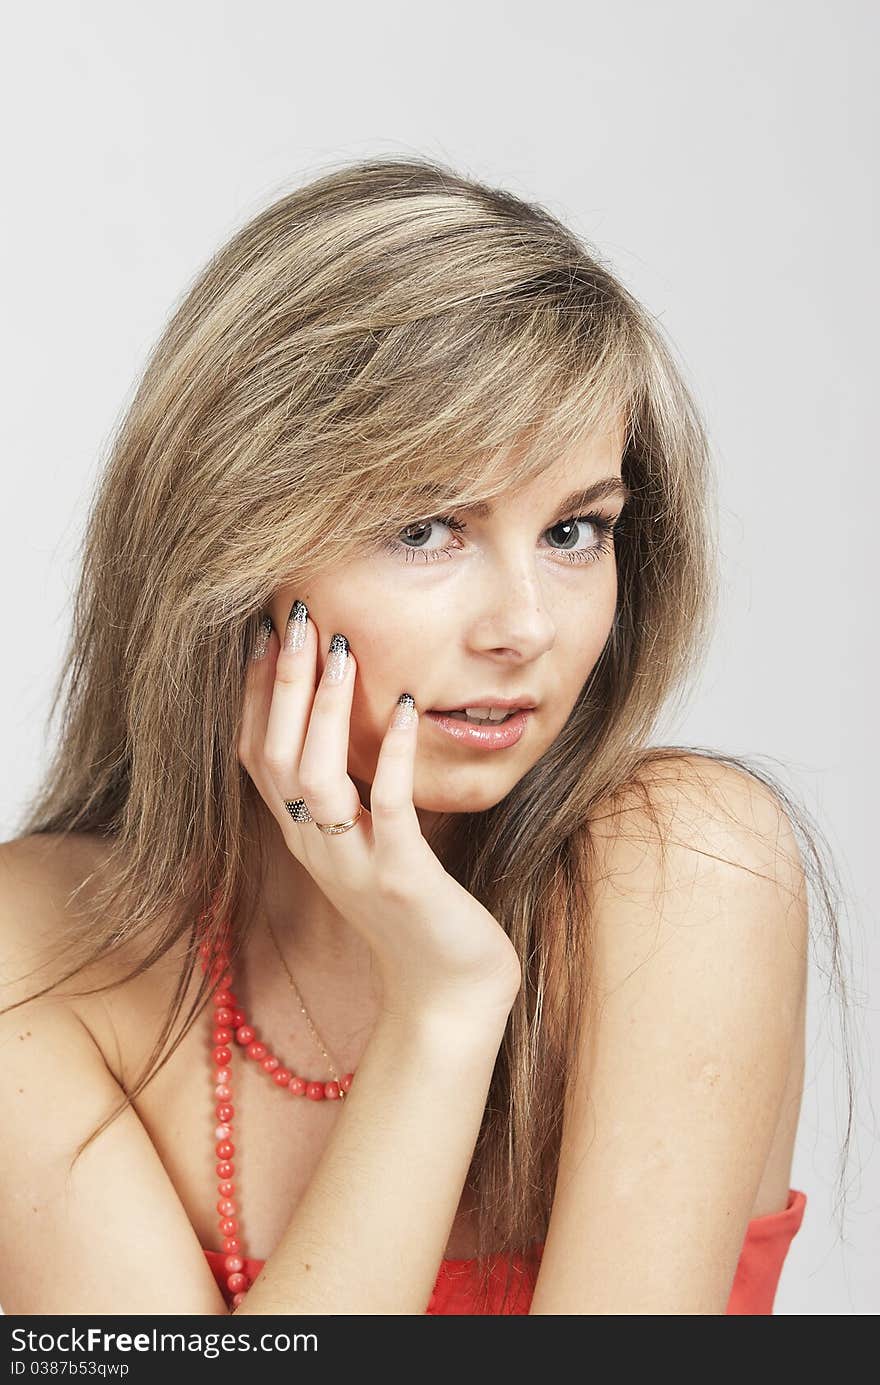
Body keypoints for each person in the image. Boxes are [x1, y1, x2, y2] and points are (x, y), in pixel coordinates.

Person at [0, 156, 851, 1315]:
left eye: (573, 530)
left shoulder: (683, 867)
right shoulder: (39, 943)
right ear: (229, 551)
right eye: (424, 526)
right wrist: (442, 1011)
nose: (524, 627)